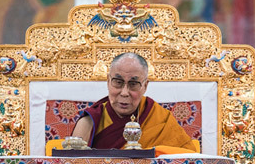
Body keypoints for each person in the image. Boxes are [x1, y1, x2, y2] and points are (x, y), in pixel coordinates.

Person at [71, 52, 199, 152]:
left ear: (145, 86)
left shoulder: (160, 119)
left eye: (133, 84)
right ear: (108, 81)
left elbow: (185, 163)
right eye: (118, 82)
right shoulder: (89, 122)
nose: (125, 92)